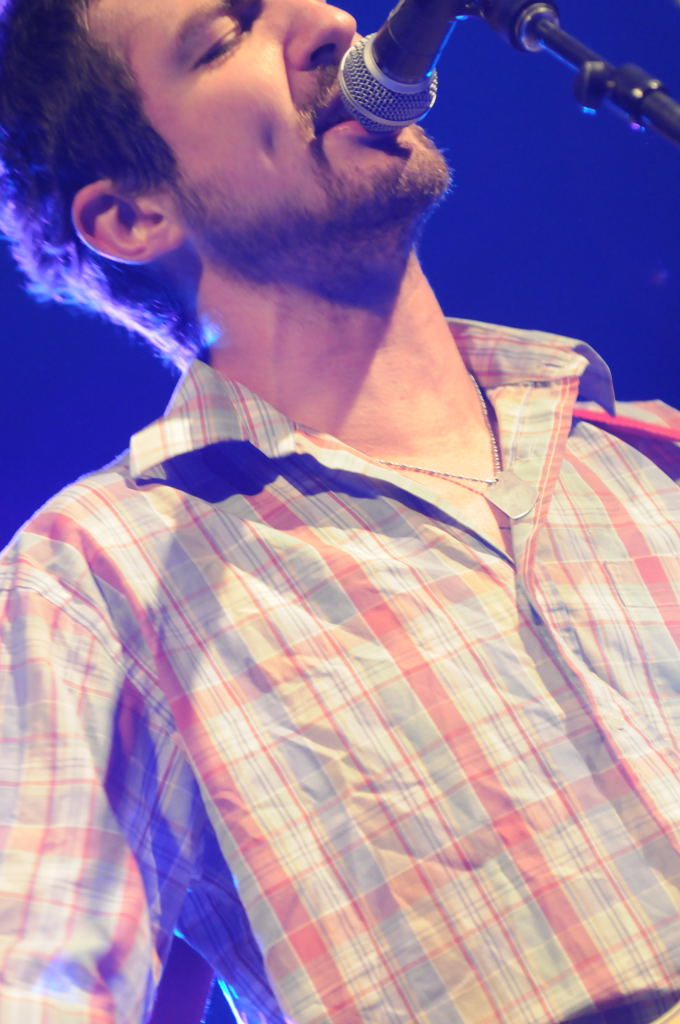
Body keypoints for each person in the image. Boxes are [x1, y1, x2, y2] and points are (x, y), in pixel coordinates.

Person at [0, 0, 679, 1020]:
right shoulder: (98, 579)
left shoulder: (644, 458)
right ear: (133, 216)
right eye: (226, 37)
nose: (328, 24)